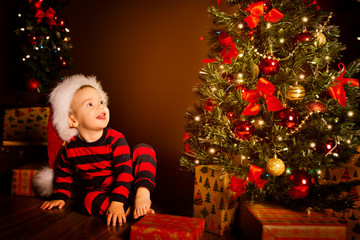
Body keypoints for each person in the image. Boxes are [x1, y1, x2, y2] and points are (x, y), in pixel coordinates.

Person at [39, 74, 157, 226]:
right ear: (73, 120)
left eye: (101, 102)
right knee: (88, 201)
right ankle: (131, 212)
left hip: (129, 184)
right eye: (90, 104)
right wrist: (60, 196)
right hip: (103, 192)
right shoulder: (70, 148)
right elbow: (63, 173)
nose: (100, 106)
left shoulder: (115, 139)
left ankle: (143, 195)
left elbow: (124, 172)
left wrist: (118, 201)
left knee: (144, 150)